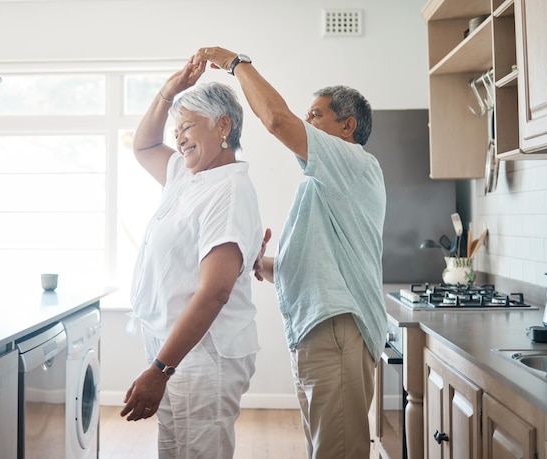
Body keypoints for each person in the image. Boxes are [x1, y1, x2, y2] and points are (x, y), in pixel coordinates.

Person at [195, 47, 387, 458]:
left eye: (316, 115)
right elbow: (311, 265)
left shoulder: (354, 163)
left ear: (347, 126)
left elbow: (277, 121)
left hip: (336, 329)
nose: (306, 122)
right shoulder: (322, 186)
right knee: (324, 447)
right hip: (316, 332)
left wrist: (236, 63)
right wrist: (259, 262)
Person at [119, 58, 263, 459]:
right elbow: (143, 144)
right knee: (175, 449)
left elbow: (215, 291)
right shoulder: (188, 176)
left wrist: (161, 369)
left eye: (187, 127)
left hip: (203, 355)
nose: (178, 139)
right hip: (177, 349)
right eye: (175, 130)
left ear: (223, 126)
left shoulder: (229, 189)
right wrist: (169, 90)